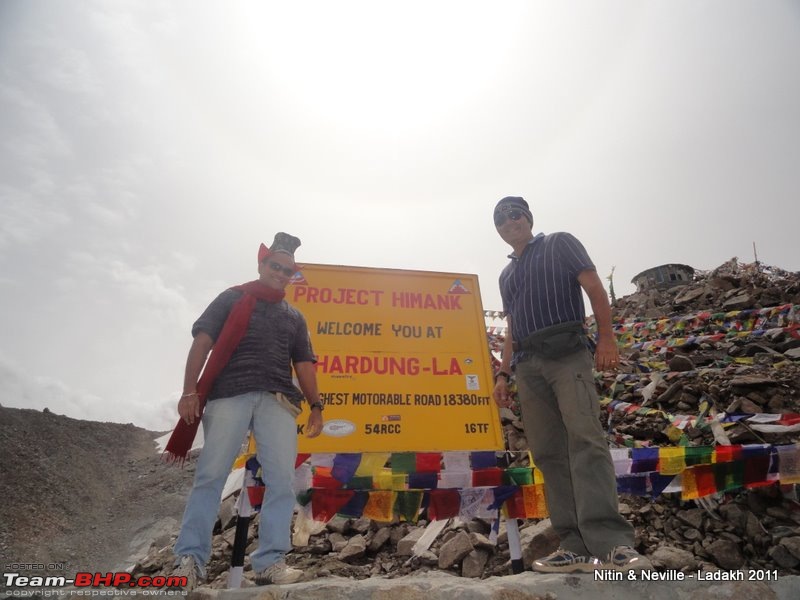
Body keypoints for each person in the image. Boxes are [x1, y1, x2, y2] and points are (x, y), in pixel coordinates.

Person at [491, 197, 651, 574]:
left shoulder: (559, 243)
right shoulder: (506, 275)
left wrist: (608, 339)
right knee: (548, 453)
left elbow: (594, 288)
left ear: (528, 218)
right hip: (528, 365)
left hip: (567, 355)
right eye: (500, 219)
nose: (509, 222)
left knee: (585, 440)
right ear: (497, 230)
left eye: (515, 214)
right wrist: (504, 374)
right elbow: (513, 327)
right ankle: (573, 544)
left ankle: (611, 543)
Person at [167, 232, 324, 590]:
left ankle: (270, 562)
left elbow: (304, 364)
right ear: (262, 264)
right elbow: (203, 341)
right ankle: (190, 559)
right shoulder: (232, 298)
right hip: (228, 395)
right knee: (211, 476)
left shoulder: (295, 317)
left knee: (282, 480)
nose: (281, 274)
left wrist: (316, 406)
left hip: (278, 401)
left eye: (288, 270)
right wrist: (189, 390)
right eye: (276, 266)